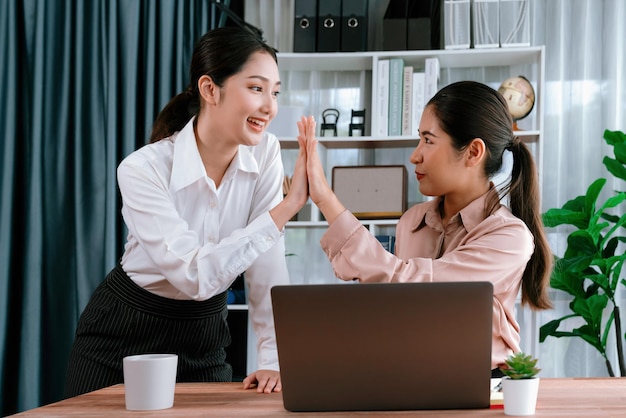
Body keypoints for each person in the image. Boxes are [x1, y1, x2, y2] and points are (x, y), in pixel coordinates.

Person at [65, 26, 308, 397]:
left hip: (203, 335)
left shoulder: (265, 152)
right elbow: (193, 276)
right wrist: (285, 210)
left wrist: (273, 358)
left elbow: (267, 265)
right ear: (210, 89)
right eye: (256, 88)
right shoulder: (142, 168)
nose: (269, 106)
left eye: (275, 92)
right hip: (122, 332)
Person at [298, 80, 552, 376]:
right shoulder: (412, 221)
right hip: (411, 374)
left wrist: (325, 199)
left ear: (473, 152)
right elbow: (396, 309)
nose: (414, 155)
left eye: (428, 140)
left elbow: (418, 289)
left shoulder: (509, 237)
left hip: (482, 381)